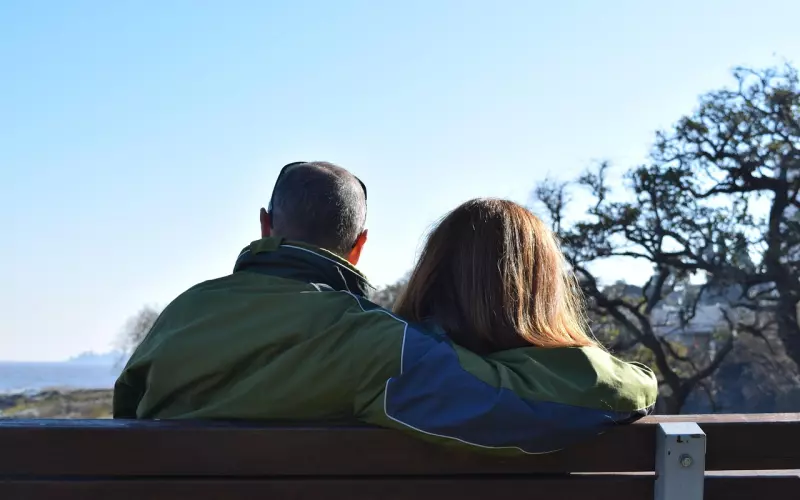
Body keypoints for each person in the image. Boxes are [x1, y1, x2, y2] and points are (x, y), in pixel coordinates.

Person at [114, 162, 656, 455]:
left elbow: (125, 427)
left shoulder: (179, 317)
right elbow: (545, 404)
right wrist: (640, 383)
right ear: (359, 245)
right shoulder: (371, 343)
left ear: (265, 225)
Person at [391, 199, 658, 452]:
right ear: (544, 288)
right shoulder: (583, 397)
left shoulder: (395, 366)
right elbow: (631, 385)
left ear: (433, 270)